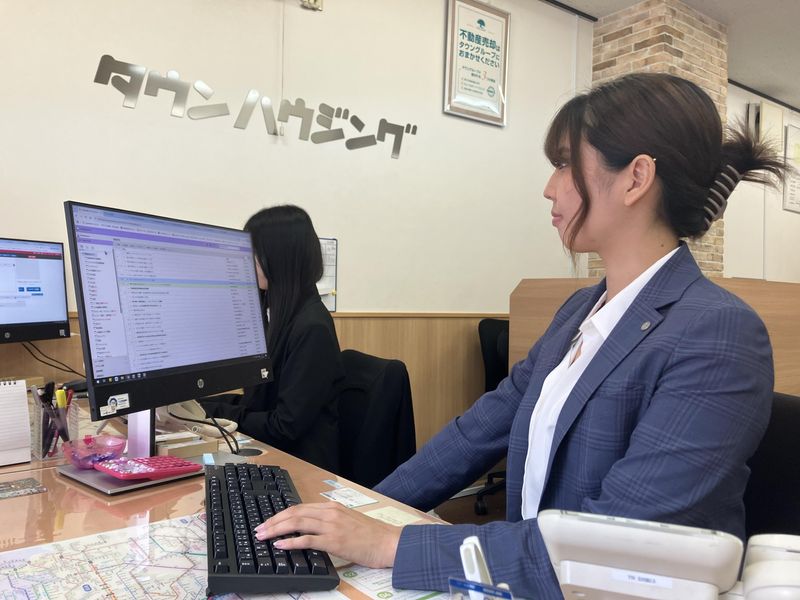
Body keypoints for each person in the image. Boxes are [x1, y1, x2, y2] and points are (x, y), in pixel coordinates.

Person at [254, 74, 789, 597]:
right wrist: (360, 509)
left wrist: (392, 543)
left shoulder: (717, 332)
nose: (549, 187)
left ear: (636, 178)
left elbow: (613, 550)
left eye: (565, 163)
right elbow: (479, 430)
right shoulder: (581, 309)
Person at [201, 205, 344, 472]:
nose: (247, 261)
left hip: (302, 467)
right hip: (274, 454)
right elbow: (256, 404)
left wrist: (216, 415)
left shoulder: (312, 329)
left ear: (278, 257)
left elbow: (285, 426)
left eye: (253, 253)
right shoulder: (278, 315)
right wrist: (200, 409)